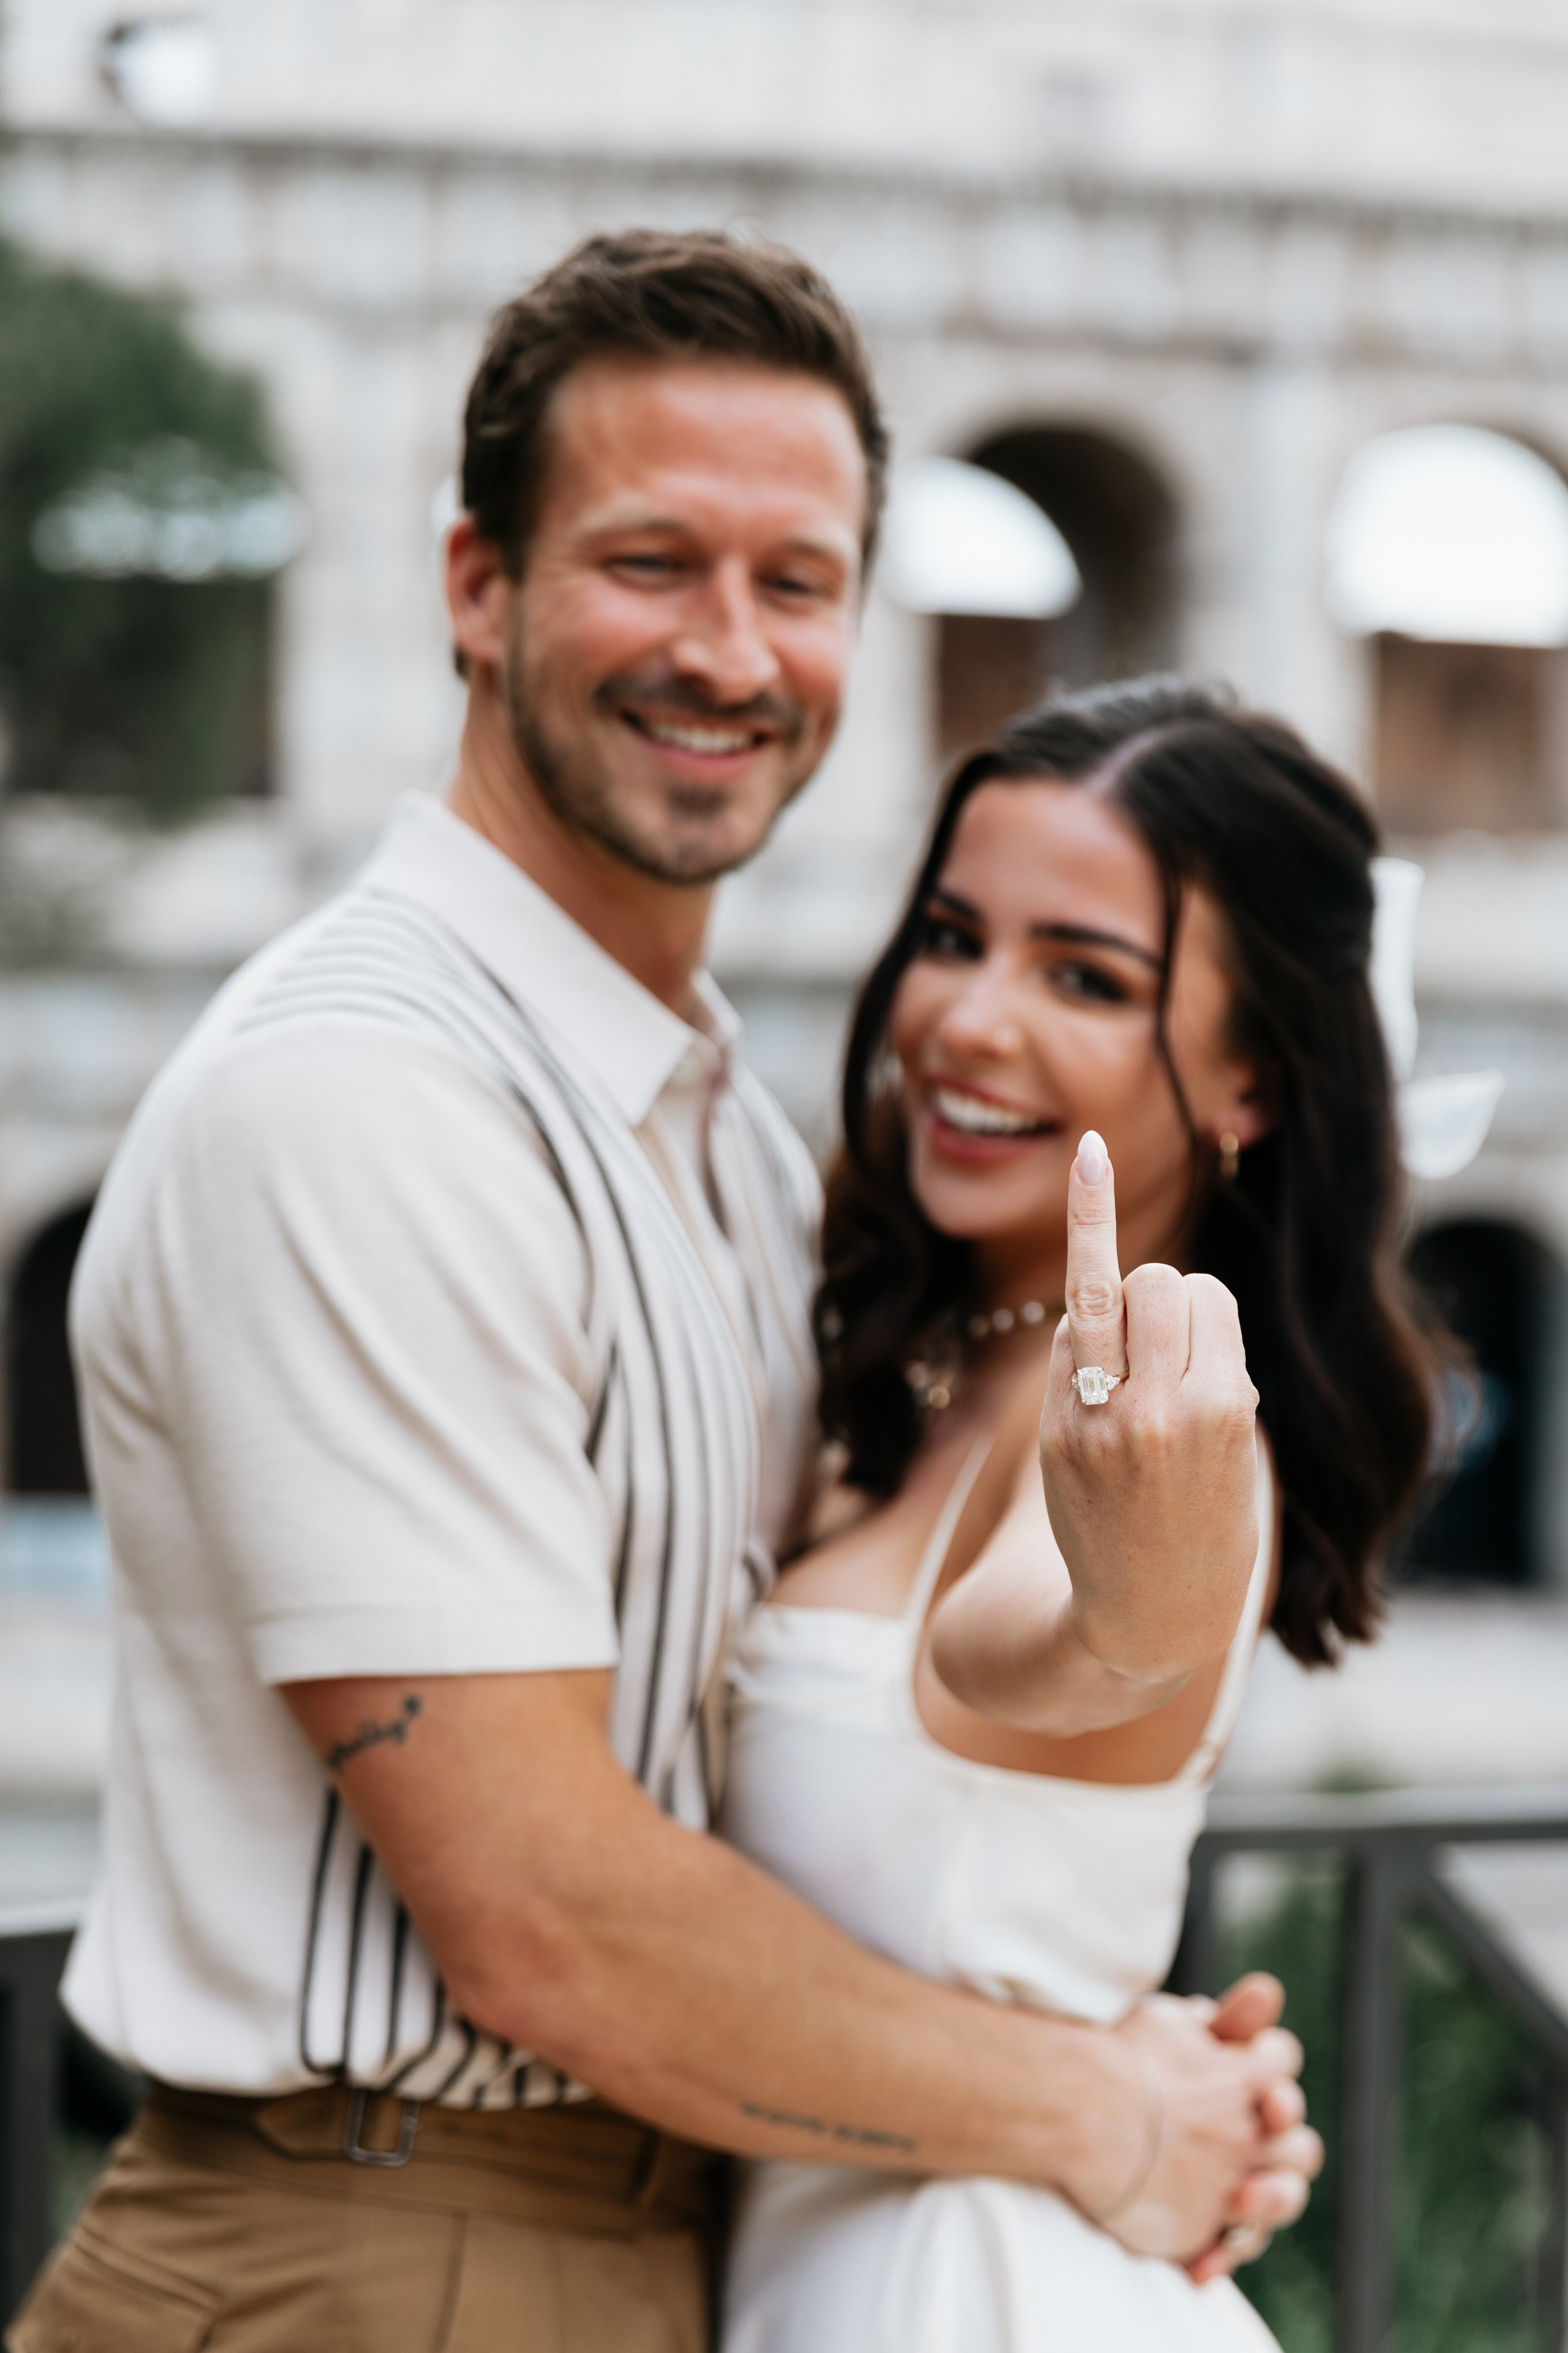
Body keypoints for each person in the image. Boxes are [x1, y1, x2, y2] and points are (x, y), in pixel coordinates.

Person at [12, 241, 1313, 2353]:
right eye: (651, 560)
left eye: (797, 581)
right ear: (475, 585)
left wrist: (1117, 1988)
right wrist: (1097, 2101)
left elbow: (1005, 1694)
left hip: (675, 2236)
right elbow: (542, 1921)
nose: (730, 648)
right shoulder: (370, 1093)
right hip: (392, 2247)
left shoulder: (724, 1142)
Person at [720, 677, 1439, 2351]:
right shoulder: (916, 1373)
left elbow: (1032, 1652)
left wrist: (1138, 1601)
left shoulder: (1158, 1429)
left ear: (1250, 1079)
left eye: (1086, 976)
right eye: (954, 935)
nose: (969, 1018)